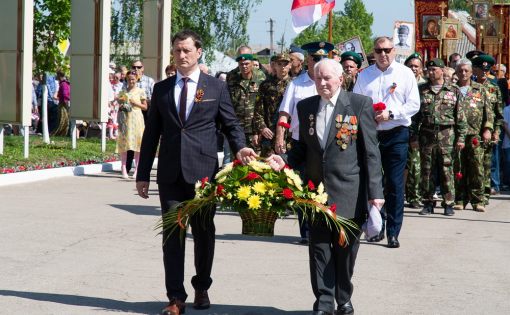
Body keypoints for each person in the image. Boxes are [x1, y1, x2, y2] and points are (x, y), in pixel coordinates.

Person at [135, 29, 257, 315]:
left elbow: (231, 124)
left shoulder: (214, 87)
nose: (181, 55)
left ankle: (201, 286)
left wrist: (240, 148)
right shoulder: (162, 89)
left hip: (203, 174)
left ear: (198, 52)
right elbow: (151, 134)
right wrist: (142, 175)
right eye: (177, 50)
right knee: (172, 235)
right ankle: (176, 298)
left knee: (204, 233)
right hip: (170, 175)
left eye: (187, 50)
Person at [266, 58, 384, 315]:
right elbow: (301, 149)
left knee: (345, 251)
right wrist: (282, 160)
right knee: (319, 249)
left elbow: (371, 153)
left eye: (327, 78)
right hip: (315, 193)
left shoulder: (358, 104)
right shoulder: (306, 106)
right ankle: (324, 302)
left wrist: (375, 194)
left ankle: (344, 298)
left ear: (340, 79)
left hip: (349, 192)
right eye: (318, 78)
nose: (322, 83)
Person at [353, 36, 420, 248]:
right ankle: (375, 225)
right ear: (373, 52)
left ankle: (393, 231)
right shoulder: (365, 75)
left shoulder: (405, 73)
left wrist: (391, 114)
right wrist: (369, 115)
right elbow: (356, 102)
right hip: (371, 134)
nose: (383, 54)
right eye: (379, 50)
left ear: (394, 51)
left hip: (396, 132)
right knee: (371, 182)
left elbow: (414, 105)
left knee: (394, 183)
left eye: (387, 50)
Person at [275, 41, 334, 244]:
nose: (318, 62)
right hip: (301, 143)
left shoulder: (331, 83)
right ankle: (306, 231)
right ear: (307, 60)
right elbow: (284, 113)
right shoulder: (296, 84)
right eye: (315, 59)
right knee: (302, 186)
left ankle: (324, 226)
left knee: (324, 186)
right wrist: (280, 137)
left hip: (325, 143)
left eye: (322, 59)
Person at [411, 58, 466, 216]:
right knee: (427, 170)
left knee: (446, 169)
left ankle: (448, 202)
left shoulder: (453, 90)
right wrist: (413, 136)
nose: (431, 72)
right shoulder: (421, 89)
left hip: (446, 135)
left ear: (442, 70)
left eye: (434, 69)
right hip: (426, 134)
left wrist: (461, 138)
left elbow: (460, 117)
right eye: (429, 69)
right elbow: (415, 116)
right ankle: (428, 202)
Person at [453, 59, 494, 212]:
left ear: (471, 72)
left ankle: (478, 200)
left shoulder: (480, 89)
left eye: (466, 70)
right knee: (459, 167)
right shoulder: (452, 89)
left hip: (475, 134)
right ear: (456, 72)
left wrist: (488, 129)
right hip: (456, 136)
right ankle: (460, 199)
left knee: (477, 168)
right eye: (460, 70)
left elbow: (488, 113)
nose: (463, 73)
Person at [472, 54, 504, 201]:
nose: (485, 72)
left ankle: (484, 194)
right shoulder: (470, 88)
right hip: (471, 131)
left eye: (487, 69)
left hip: (488, 132)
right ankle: (469, 193)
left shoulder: (494, 89)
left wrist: (496, 132)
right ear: (475, 70)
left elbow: (499, 115)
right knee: (470, 163)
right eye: (481, 69)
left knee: (487, 163)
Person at [253, 53, 292, 157]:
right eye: (279, 64)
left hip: (289, 136)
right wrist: (262, 128)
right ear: (275, 65)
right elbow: (258, 111)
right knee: (267, 167)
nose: (283, 67)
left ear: (290, 65)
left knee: (289, 168)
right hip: (269, 135)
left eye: (285, 64)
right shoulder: (266, 85)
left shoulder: (295, 85)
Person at [227, 51, 266, 153]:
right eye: (241, 64)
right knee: (237, 162)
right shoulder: (231, 77)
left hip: (255, 129)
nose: (244, 66)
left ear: (252, 63)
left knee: (257, 162)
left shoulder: (261, 77)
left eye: (247, 64)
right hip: (237, 129)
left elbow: (264, 105)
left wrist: (259, 129)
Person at [404, 52, 426, 209]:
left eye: (416, 66)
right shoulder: (400, 82)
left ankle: (414, 196)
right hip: (401, 127)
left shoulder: (425, 86)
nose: (413, 68)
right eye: (410, 65)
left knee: (415, 166)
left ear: (421, 69)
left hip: (419, 131)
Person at [125, 60, 155, 175]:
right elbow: (124, 95)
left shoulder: (149, 81)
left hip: (145, 112)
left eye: (139, 67)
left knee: (144, 140)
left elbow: (153, 98)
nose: (136, 69)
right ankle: (127, 167)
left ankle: (142, 167)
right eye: (134, 67)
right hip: (131, 112)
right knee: (130, 140)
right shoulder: (127, 80)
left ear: (143, 68)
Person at [117, 71, 147, 179]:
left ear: (137, 79)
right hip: (125, 120)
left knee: (137, 145)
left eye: (133, 79)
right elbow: (119, 105)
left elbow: (145, 107)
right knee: (125, 145)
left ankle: (137, 169)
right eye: (129, 79)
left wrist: (136, 103)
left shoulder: (140, 91)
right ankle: (124, 168)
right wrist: (120, 103)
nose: (131, 81)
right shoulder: (123, 92)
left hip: (137, 119)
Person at [52, 71, 71, 136]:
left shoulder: (63, 84)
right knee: (63, 120)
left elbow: (65, 94)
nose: (55, 76)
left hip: (63, 104)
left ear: (60, 75)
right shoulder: (64, 84)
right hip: (63, 103)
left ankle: (61, 134)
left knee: (63, 120)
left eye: (57, 75)